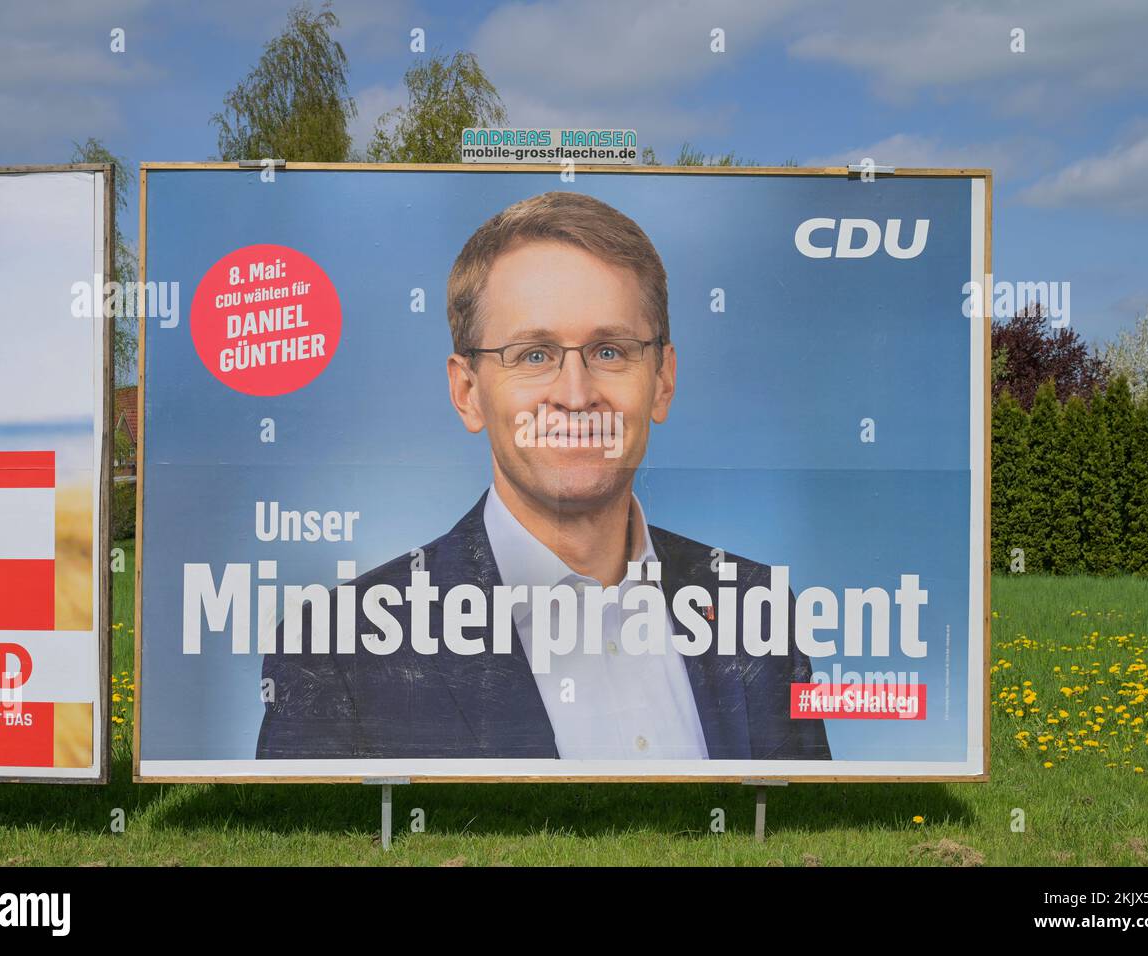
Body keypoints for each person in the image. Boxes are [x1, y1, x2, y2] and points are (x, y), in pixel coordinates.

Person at [257, 191, 830, 762]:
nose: (576, 395)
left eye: (610, 351)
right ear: (468, 392)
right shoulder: (337, 649)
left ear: (663, 380)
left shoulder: (758, 607)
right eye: (534, 355)